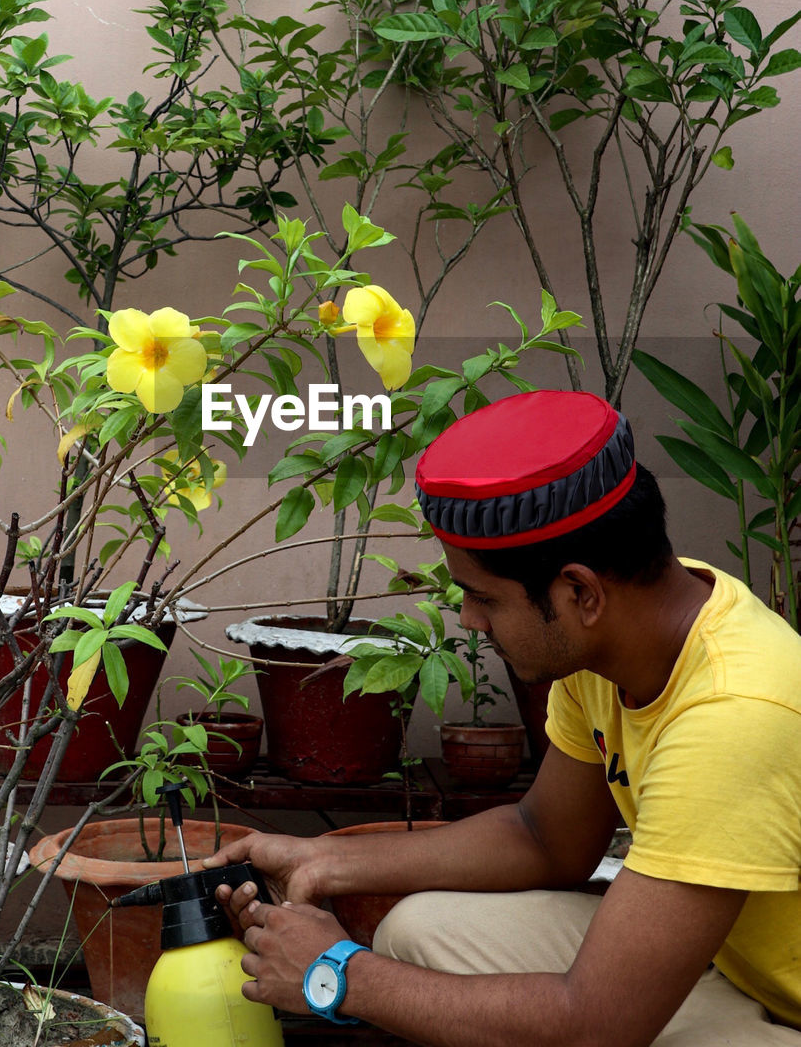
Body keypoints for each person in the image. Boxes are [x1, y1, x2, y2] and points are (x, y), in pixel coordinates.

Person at [205, 390, 801, 1045]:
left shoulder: (732, 714)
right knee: (419, 929)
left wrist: (337, 974)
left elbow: (595, 1025)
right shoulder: (621, 642)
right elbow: (544, 837)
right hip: (735, 974)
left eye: (482, 596)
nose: (469, 620)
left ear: (580, 593)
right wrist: (320, 860)